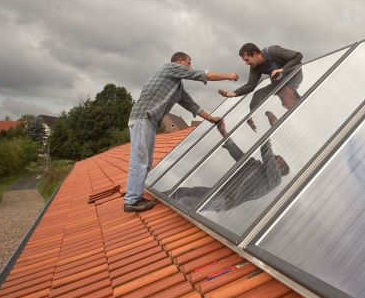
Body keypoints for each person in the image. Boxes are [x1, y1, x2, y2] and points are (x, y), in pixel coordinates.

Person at [123, 52, 238, 213]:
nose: (190, 66)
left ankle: (135, 194)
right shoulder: (169, 68)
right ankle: (131, 200)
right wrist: (228, 76)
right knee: (140, 160)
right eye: (189, 62)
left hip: (150, 122)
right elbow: (202, 74)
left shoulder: (177, 88)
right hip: (143, 118)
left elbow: (192, 106)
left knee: (146, 162)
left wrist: (212, 119)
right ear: (180, 61)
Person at [171, 111, 289, 211]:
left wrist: (274, 127)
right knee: (181, 193)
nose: (274, 156)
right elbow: (237, 152)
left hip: (224, 200)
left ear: (279, 167)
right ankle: (155, 201)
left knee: (185, 202)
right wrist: (223, 131)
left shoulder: (275, 179)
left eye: (277, 158)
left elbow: (266, 151)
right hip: (218, 192)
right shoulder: (254, 165)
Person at [219, 43, 303, 110]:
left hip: (294, 77)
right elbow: (250, 85)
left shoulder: (272, 51)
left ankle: (297, 105)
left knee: (278, 76)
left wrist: (282, 69)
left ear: (255, 54)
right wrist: (233, 93)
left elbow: (298, 56)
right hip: (279, 82)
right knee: (257, 96)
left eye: (247, 59)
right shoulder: (254, 66)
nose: (246, 63)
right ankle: (253, 118)